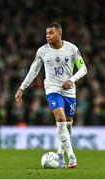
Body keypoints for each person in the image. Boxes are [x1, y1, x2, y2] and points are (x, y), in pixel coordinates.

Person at [15, 22, 87, 168]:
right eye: (47, 33)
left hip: (69, 91)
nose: (48, 35)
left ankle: (60, 154)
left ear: (60, 34)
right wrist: (22, 87)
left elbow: (83, 69)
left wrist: (71, 79)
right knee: (60, 118)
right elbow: (33, 71)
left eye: (51, 33)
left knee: (68, 125)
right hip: (52, 89)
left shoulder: (72, 49)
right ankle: (71, 156)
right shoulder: (42, 51)